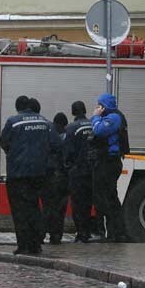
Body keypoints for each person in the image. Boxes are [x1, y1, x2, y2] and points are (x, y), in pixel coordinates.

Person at [0, 95, 60, 254]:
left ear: (18, 107)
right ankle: (36, 244)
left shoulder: (13, 122)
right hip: (39, 174)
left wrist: (14, 154)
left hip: (18, 174)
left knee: (20, 211)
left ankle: (23, 245)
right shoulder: (45, 122)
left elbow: (4, 141)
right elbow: (56, 144)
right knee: (34, 208)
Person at [90, 93, 127, 242]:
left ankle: (111, 232)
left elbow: (98, 130)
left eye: (100, 105)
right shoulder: (110, 117)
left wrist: (95, 116)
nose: (98, 107)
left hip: (109, 162)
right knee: (108, 196)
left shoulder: (114, 118)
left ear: (104, 106)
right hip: (106, 162)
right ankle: (114, 232)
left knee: (106, 198)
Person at [65, 101, 94, 243]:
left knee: (77, 203)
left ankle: (81, 233)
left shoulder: (71, 128)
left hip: (77, 171)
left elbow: (68, 151)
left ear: (73, 112)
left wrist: (68, 166)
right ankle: (88, 231)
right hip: (92, 171)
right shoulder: (94, 125)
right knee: (88, 202)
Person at [41, 112, 69, 245]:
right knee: (59, 208)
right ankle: (56, 236)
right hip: (60, 177)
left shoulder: (47, 134)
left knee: (47, 207)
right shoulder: (64, 137)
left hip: (48, 175)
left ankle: (41, 235)